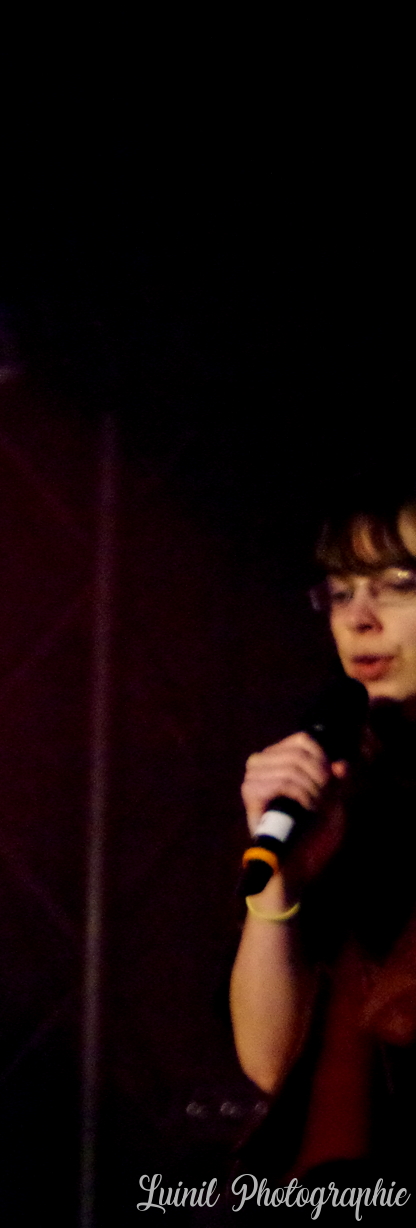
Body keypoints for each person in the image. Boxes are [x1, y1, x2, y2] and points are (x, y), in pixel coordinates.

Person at [230, 481, 416, 1178]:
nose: (359, 619)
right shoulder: (347, 784)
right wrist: (280, 884)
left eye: (399, 586)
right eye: (340, 593)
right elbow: (270, 1063)